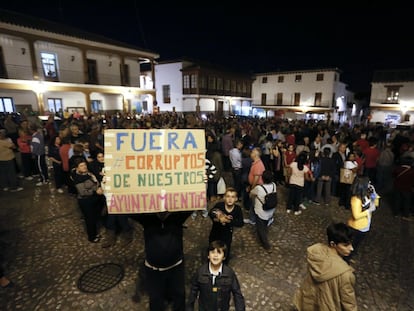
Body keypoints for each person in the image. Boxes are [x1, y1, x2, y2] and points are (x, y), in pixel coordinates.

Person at [131, 211, 192, 311]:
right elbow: (126, 210)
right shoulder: (147, 219)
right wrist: (107, 196)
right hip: (154, 269)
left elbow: (193, 203)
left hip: (175, 267)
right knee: (155, 298)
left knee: (179, 295)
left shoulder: (178, 217)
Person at [293, 222, 357, 310]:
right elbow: (348, 302)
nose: (351, 248)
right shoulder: (345, 274)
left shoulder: (316, 254)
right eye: (346, 245)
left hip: (308, 301)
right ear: (333, 244)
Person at [187, 240, 246, 311]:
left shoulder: (229, 273)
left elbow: (237, 294)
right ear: (208, 255)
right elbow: (193, 292)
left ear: (224, 257)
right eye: (212, 252)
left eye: (219, 252)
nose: (215, 255)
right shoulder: (201, 272)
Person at [346, 176, 380, 263]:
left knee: (356, 244)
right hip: (357, 227)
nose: (370, 184)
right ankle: (346, 259)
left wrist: (375, 196)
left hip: (365, 224)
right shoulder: (356, 199)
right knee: (351, 244)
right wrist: (368, 211)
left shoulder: (366, 194)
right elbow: (356, 215)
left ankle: (350, 256)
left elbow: (375, 205)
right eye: (368, 183)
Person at [71, 158, 105, 243]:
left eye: (85, 165)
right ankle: (92, 237)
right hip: (86, 201)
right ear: (77, 168)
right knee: (89, 219)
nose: (84, 167)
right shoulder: (77, 178)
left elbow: (95, 181)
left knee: (94, 217)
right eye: (81, 166)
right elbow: (83, 192)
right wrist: (95, 191)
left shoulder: (88, 173)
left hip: (94, 199)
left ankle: (95, 233)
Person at [208, 187, 244, 264]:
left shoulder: (237, 209)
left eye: (232, 197)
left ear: (236, 199)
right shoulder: (219, 205)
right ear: (224, 197)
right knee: (212, 251)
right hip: (215, 234)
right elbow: (211, 213)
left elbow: (241, 223)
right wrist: (217, 216)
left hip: (227, 236)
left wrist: (228, 221)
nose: (230, 199)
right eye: (228, 196)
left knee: (225, 252)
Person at [249, 170, 276, 253]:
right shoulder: (274, 185)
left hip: (261, 211)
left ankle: (266, 245)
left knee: (261, 229)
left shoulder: (259, 188)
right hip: (271, 209)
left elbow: (251, 194)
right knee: (264, 224)